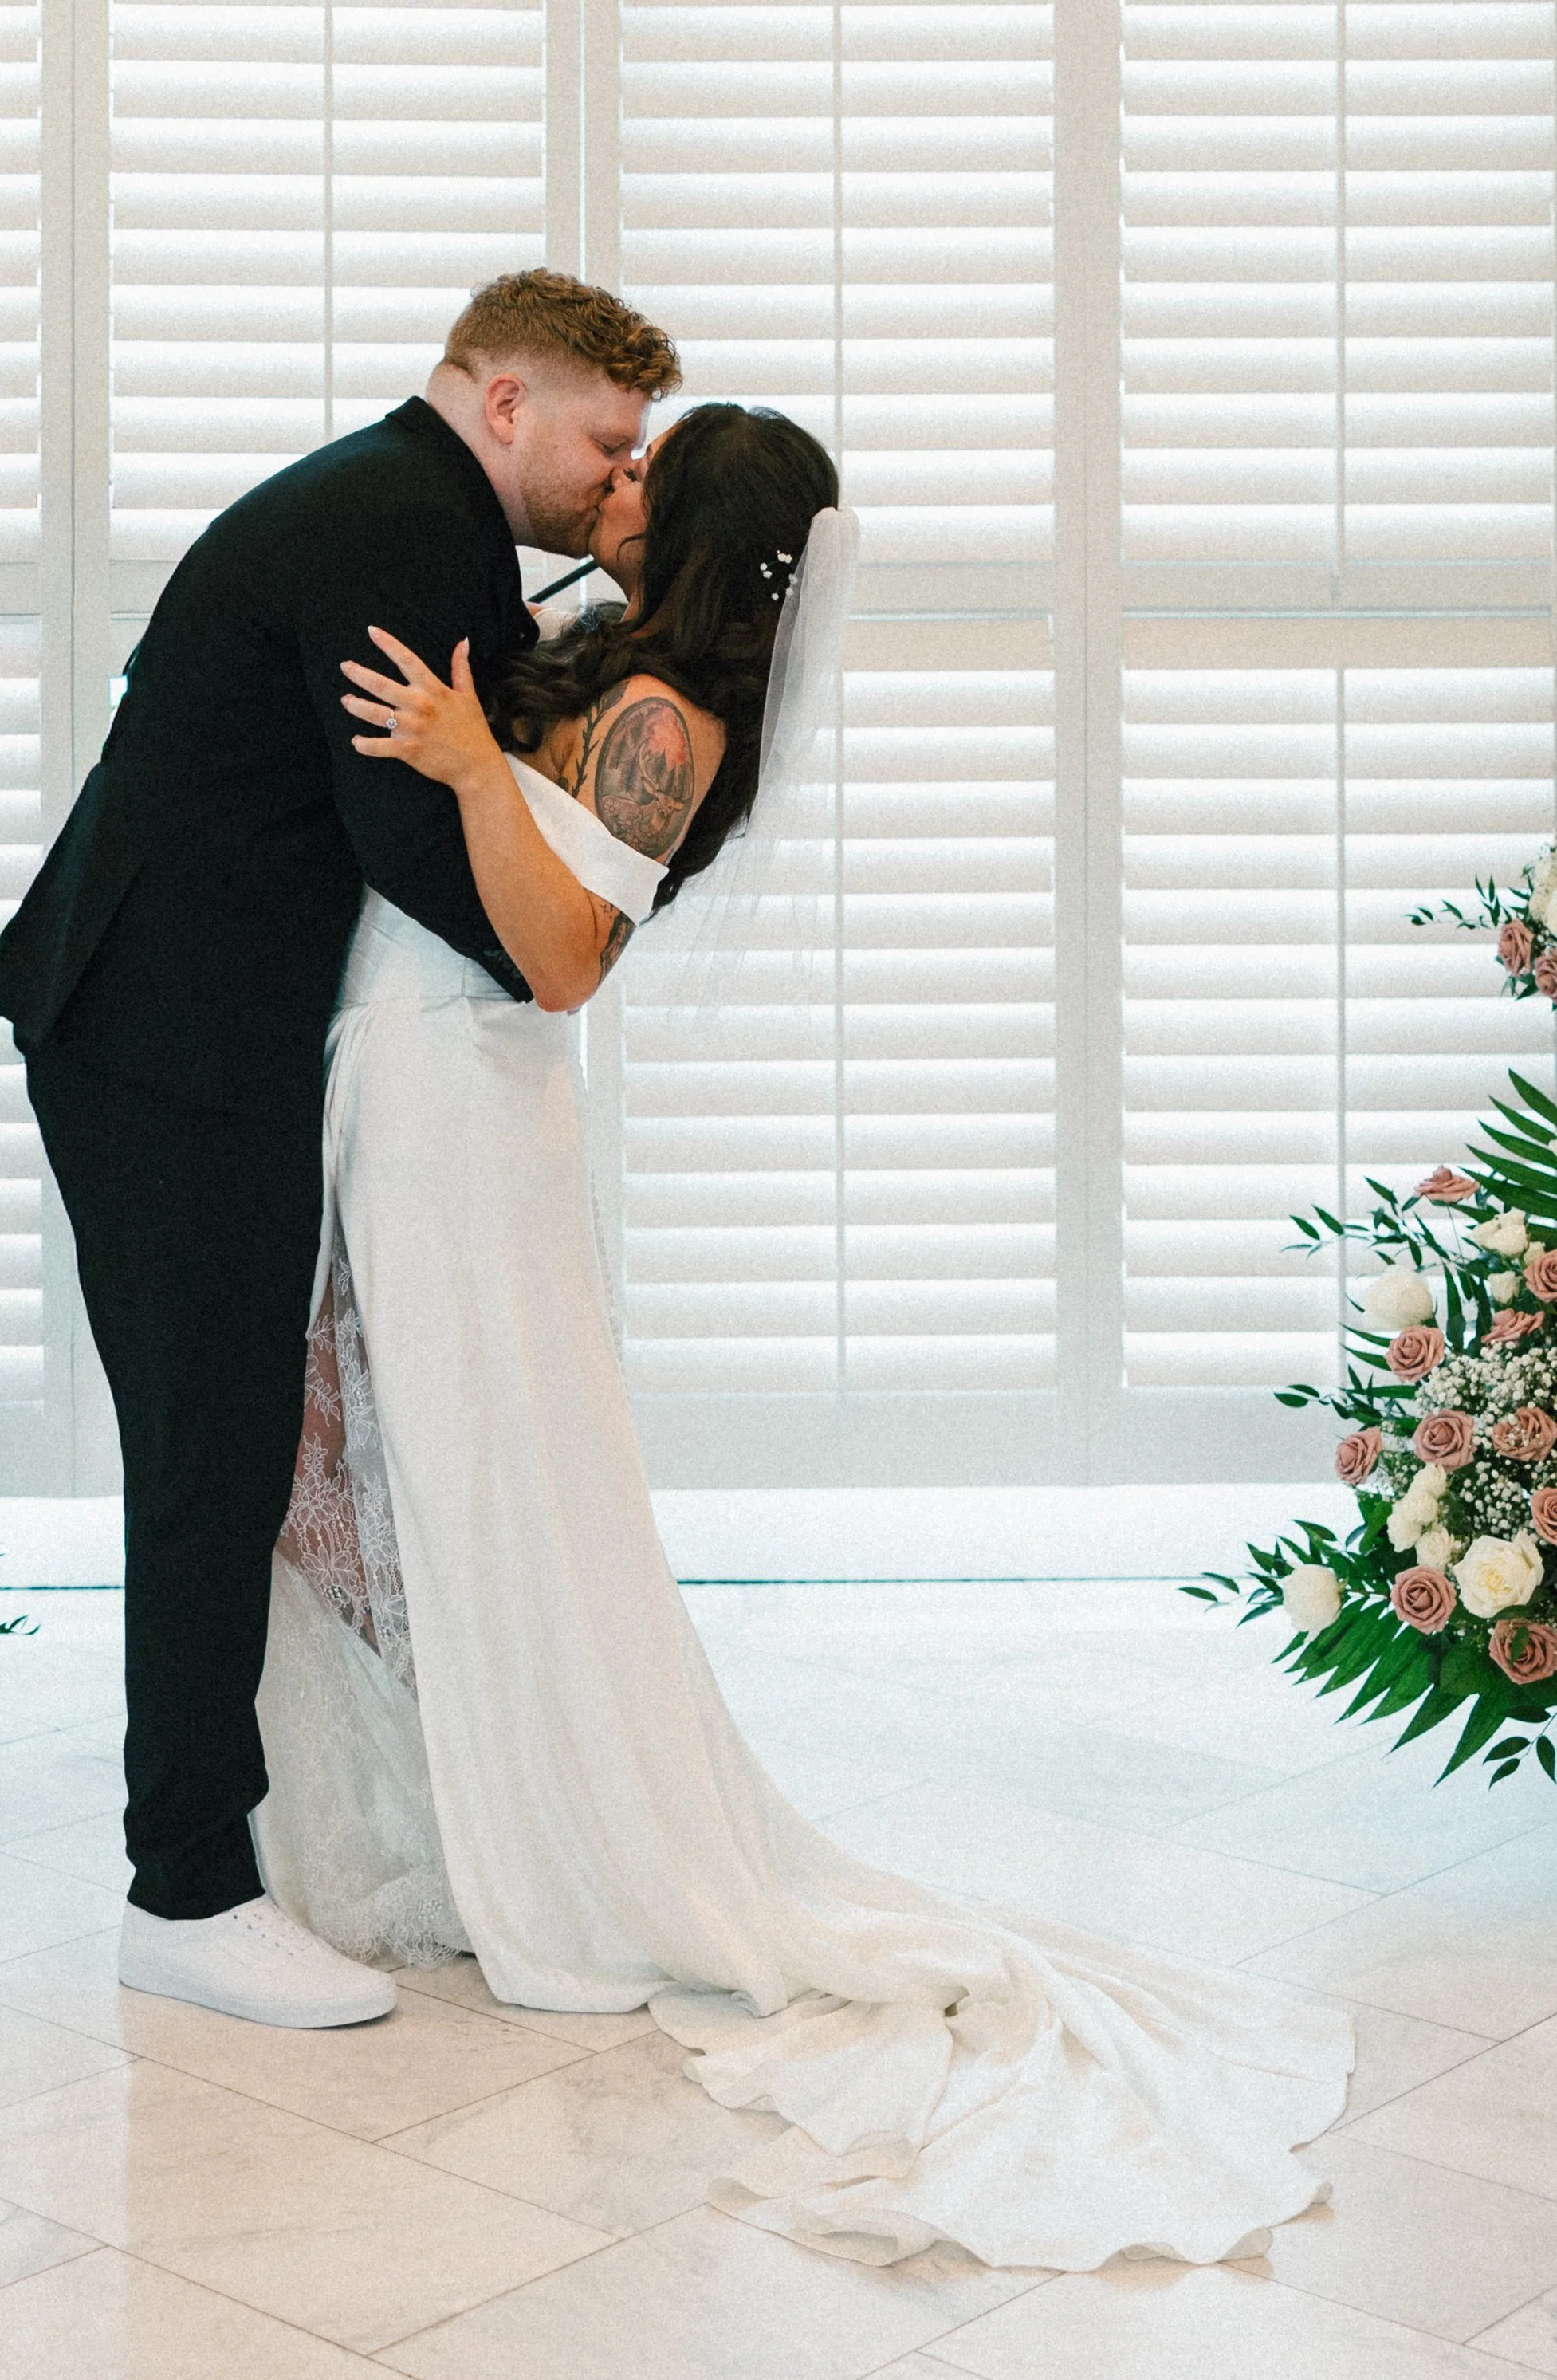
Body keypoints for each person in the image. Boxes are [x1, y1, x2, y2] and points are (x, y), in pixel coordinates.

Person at [251, 403, 1358, 2271]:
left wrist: (457, 763)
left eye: (644, 477)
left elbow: (562, 959)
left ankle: (550, 1839)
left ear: (697, 527)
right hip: (409, 1085)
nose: (613, 489)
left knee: (467, 1472)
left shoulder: (669, 723)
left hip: (467, 1102)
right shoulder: (610, 661)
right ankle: (439, 1816)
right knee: (376, 1462)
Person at [0, 270, 682, 2028]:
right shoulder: (405, 522)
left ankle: (233, 1854)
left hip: (187, 1027)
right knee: (212, 1455)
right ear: (505, 402)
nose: (616, 482)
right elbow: (406, 830)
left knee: (229, 1444)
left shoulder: (401, 501)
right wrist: (560, 954)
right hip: (162, 1037)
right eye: (606, 446)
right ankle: (184, 1890)